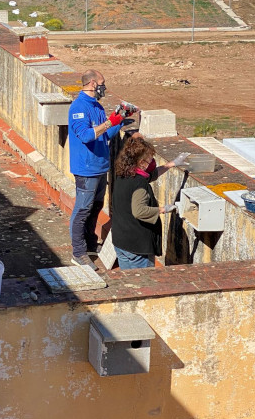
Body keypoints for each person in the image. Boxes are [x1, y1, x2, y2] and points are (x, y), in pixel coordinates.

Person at [68, 69, 128, 270]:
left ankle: (90, 245)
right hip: (86, 170)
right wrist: (109, 122)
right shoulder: (79, 108)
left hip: (100, 167)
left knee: (94, 208)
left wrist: (119, 121)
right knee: (82, 210)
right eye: (103, 83)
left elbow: (105, 135)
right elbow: (86, 135)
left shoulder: (97, 107)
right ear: (93, 84)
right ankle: (78, 253)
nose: (104, 87)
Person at [112, 137, 190, 270]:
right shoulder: (139, 184)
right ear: (141, 162)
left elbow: (151, 175)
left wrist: (171, 164)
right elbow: (139, 211)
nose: (152, 162)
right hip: (136, 247)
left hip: (121, 241)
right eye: (149, 160)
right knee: (144, 285)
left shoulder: (123, 174)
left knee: (129, 282)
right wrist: (163, 209)